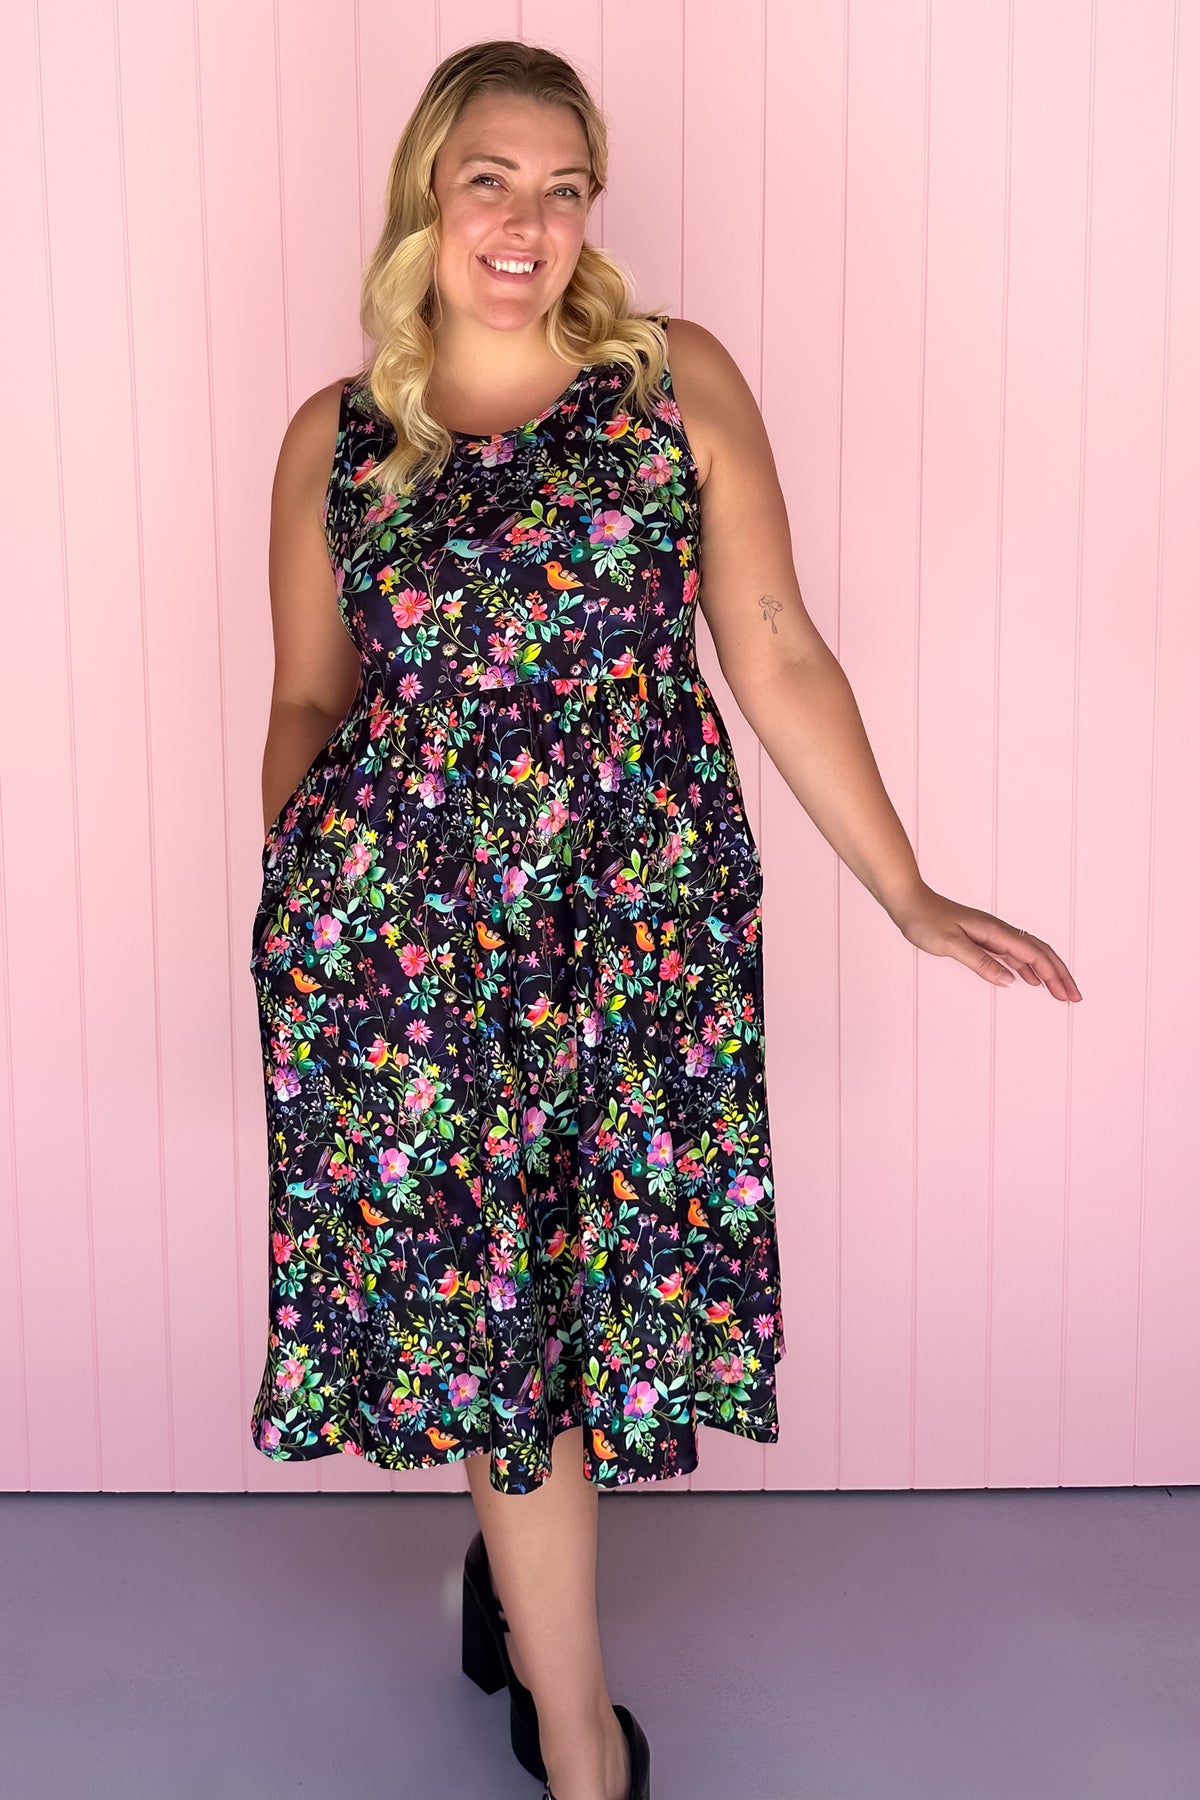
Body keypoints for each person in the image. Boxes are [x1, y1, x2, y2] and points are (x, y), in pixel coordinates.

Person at [248, 39, 1082, 1800]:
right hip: (409, 957)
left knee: (580, 1298)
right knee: (501, 1324)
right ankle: (581, 1744)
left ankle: (510, 1588)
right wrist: (308, 907)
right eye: (491, 180)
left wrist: (908, 891)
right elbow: (309, 701)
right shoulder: (337, 440)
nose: (528, 222)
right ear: (425, 194)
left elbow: (772, 643)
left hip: (639, 932)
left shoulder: (669, 384)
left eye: (564, 189)